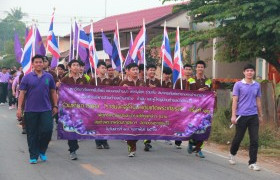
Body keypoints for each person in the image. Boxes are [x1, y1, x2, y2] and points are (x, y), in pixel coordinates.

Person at [16, 55, 58, 164]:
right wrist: (19, 109)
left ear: (43, 64)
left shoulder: (49, 77)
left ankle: (42, 150)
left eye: (41, 62)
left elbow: (53, 92)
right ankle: (33, 155)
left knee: (47, 131)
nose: (39, 64)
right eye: (36, 62)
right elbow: (22, 93)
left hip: (46, 109)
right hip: (31, 110)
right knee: (32, 133)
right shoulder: (27, 77)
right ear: (33, 64)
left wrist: (55, 105)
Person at [229, 64, 262, 171]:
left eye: (251, 71)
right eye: (247, 70)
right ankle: (232, 154)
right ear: (244, 72)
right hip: (241, 116)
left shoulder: (257, 85)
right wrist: (233, 115)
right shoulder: (238, 85)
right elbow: (235, 100)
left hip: (253, 116)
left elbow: (258, 101)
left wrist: (260, 115)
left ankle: (252, 162)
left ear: (254, 72)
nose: (249, 72)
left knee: (255, 140)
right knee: (238, 138)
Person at [60, 60, 88, 160]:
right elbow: (60, 93)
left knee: (78, 128)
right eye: (74, 65)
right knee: (70, 129)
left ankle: (74, 146)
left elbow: (88, 93)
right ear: (69, 67)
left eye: (78, 65)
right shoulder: (65, 79)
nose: (76, 67)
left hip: (80, 109)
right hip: (68, 109)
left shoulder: (84, 79)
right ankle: (73, 149)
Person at [119, 63, 146, 157]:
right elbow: (119, 97)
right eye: (133, 69)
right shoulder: (124, 83)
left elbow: (147, 95)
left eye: (136, 69)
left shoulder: (142, 82)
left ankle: (132, 143)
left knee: (139, 130)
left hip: (140, 110)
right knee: (130, 129)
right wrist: (124, 90)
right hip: (128, 111)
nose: (135, 71)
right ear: (128, 71)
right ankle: (132, 147)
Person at [187, 60, 212, 158]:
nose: (200, 69)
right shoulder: (191, 80)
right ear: (196, 68)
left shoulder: (208, 81)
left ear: (204, 68)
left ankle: (198, 149)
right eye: (198, 67)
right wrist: (197, 92)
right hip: (193, 109)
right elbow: (186, 94)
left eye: (202, 67)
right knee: (193, 128)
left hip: (205, 109)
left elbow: (211, 93)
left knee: (204, 128)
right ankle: (191, 142)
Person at [90, 61, 112, 149]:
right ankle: (98, 142)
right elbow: (88, 93)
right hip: (96, 105)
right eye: (102, 68)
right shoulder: (93, 80)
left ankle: (105, 141)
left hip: (106, 105)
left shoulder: (109, 81)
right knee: (97, 124)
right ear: (97, 69)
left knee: (105, 123)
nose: (104, 69)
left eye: (105, 68)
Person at [174, 64, 194, 149]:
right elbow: (175, 93)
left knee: (191, 123)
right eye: (186, 69)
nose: (188, 71)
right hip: (181, 106)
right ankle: (178, 141)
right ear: (183, 70)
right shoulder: (179, 81)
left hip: (192, 106)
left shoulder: (193, 81)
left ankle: (191, 141)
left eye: (190, 69)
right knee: (180, 123)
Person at [143, 64, 161, 151]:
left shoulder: (158, 81)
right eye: (150, 70)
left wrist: (156, 89)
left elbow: (163, 94)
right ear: (147, 71)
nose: (152, 72)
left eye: (154, 70)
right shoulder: (143, 81)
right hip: (144, 106)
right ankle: (146, 141)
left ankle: (147, 141)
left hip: (155, 106)